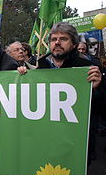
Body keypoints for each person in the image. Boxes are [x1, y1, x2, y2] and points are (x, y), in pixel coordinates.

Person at [18, 22, 102, 166]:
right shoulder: (42, 64)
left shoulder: (88, 68)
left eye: (63, 39)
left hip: (75, 145)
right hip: (46, 141)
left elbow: (100, 110)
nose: (57, 42)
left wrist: (96, 89)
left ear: (74, 44)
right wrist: (23, 77)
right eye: (53, 39)